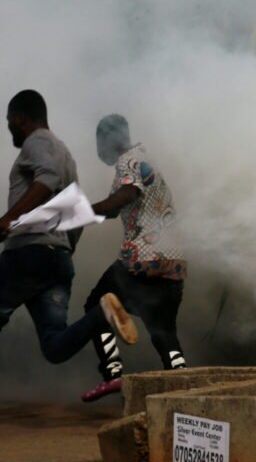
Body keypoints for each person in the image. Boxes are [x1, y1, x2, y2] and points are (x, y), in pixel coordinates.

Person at [0, 90, 139, 441]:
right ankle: (101, 315)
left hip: (26, 254)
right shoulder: (68, 153)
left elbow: (48, 176)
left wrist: (8, 218)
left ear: (20, 118)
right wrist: (63, 254)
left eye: (11, 121)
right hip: (56, 258)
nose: (9, 129)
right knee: (54, 346)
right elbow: (74, 210)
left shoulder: (38, 144)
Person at [80, 114, 188, 402]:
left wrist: (84, 211)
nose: (98, 150)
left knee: (95, 305)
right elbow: (116, 208)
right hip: (173, 261)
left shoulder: (127, 161)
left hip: (142, 259)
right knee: (162, 329)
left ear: (110, 139)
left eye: (99, 142)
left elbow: (125, 196)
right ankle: (184, 388)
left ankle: (113, 373)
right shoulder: (145, 158)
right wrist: (96, 209)